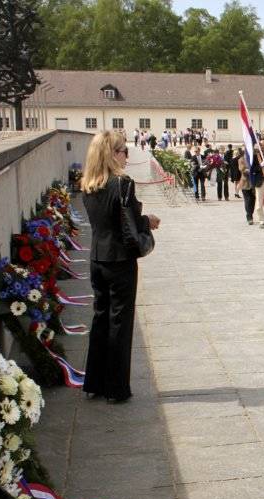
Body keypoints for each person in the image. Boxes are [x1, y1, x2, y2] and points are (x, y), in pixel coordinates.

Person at [80, 130, 160, 403]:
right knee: (120, 323)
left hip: (97, 258)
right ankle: (116, 387)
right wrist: (147, 221)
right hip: (119, 260)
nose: (127, 155)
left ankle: (95, 382)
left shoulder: (88, 184)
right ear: (113, 154)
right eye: (124, 150)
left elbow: (109, 220)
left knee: (100, 318)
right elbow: (127, 223)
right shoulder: (122, 183)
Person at [237, 149, 256, 224]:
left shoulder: (253, 159)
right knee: (248, 200)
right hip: (245, 183)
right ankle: (249, 216)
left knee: (253, 200)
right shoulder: (241, 159)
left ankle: (251, 214)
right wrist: (251, 171)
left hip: (254, 183)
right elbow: (242, 169)